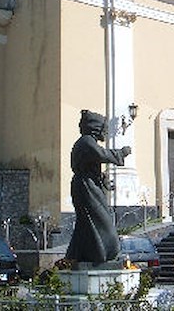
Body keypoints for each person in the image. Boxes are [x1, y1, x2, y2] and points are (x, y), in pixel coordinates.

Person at [65, 110, 131, 263]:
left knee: (86, 222)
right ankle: (104, 254)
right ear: (96, 128)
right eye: (104, 128)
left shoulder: (88, 142)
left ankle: (78, 256)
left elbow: (90, 164)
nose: (106, 132)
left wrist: (102, 179)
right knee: (102, 222)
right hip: (86, 187)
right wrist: (122, 153)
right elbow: (102, 155)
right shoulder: (87, 141)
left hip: (88, 185)